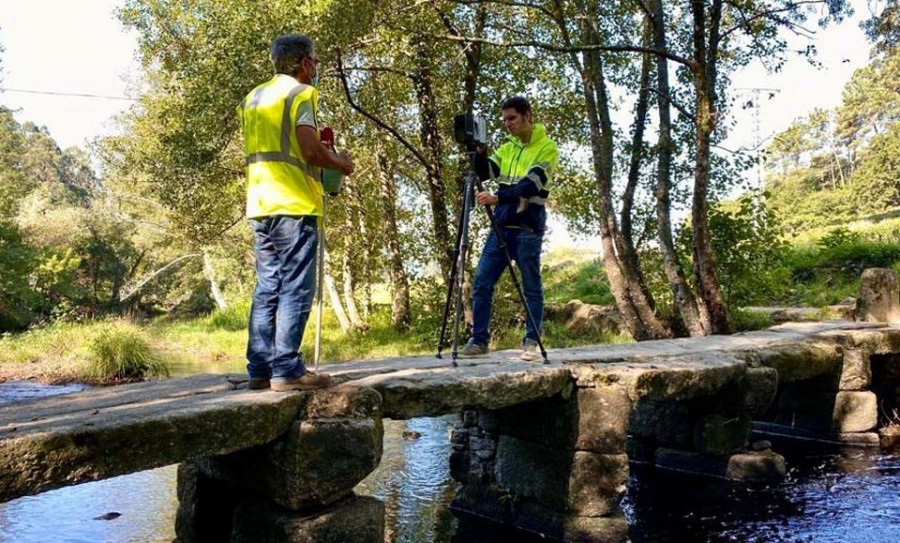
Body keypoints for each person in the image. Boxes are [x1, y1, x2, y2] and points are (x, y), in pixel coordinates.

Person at [238, 34, 354, 391]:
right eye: (315, 61)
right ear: (304, 63)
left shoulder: (253, 98)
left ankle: (260, 368)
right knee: (295, 288)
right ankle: (287, 369)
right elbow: (308, 149)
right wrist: (340, 163)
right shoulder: (301, 94)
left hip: (260, 203)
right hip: (294, 203)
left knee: (267, 286)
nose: (316, 67)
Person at [460, 96, 559, 361]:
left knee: (531, 286)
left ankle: (531, 341)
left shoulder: (547, 147)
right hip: (501, 227)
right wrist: (477, 154)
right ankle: (479, 340)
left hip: (528, 228)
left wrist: (497, 198)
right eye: (504, 119)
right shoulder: (507, 148)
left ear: (527, 115)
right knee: (482, 281)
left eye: (512, 118)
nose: (507, 124)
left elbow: (532, 184)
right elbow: (485, 172)